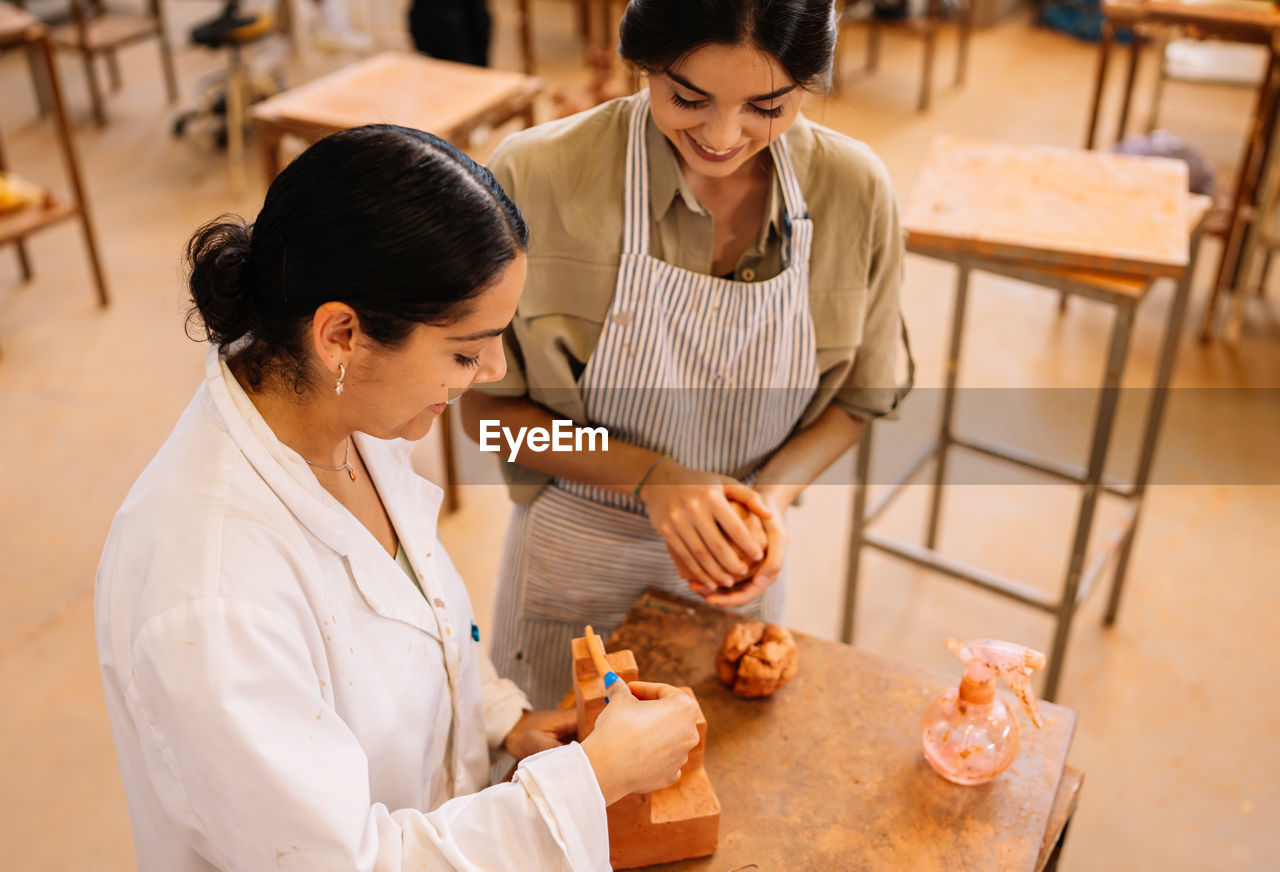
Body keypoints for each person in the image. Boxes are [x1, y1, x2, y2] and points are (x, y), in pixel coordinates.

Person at [95, 124, 700, 872]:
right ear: (341, 334)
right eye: (464, 349)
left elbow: (416, 616)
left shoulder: (351, 416)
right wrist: (590, 781)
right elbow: (346, 862)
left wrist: (501, 723)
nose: (492, 369)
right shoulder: (212, 593)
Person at [462, 0, 912, 708]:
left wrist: (763, 504)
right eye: (687, 99)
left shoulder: (853, 191)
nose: (723, 135)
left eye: (768, 106)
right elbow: (484, 416)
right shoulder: (539, 177)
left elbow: (860, 399)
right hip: (576, 564)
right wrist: (654, 479)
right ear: (640, 62)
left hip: (741, 567)